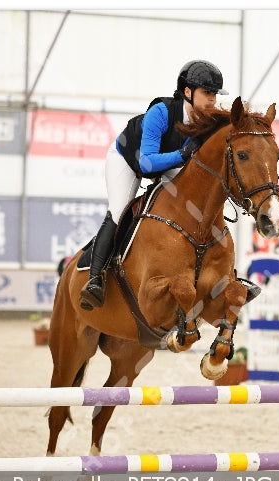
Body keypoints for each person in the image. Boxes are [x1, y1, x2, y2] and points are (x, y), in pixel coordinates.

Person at [80, 59, 228, 310]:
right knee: (119, 210)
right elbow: (146, 164)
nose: (212, 99)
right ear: (188, 92)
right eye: (207, 93)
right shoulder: (161, 112)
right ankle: (95, 279)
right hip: (129, 160)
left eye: (215, 94)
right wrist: (183, 155)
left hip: (167, 164)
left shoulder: (207, 120)